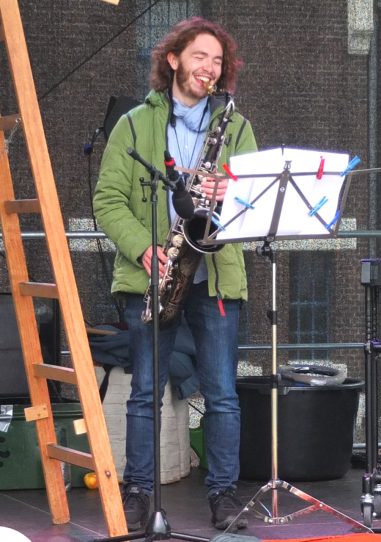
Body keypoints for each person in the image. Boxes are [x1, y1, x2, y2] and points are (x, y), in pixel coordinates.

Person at [93, 17, 257, 531]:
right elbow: (107, 199)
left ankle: (224, 496)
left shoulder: (235, 125)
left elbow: (254, 198)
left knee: (223, 395)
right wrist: (143, 248)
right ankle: (139, 492)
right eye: (199, 57)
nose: (209, 68)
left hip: (215, 271)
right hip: (154, 271)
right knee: (146, 392)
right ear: (173, 60)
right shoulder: (135, 124)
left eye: (217, 61)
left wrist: (233, 194)